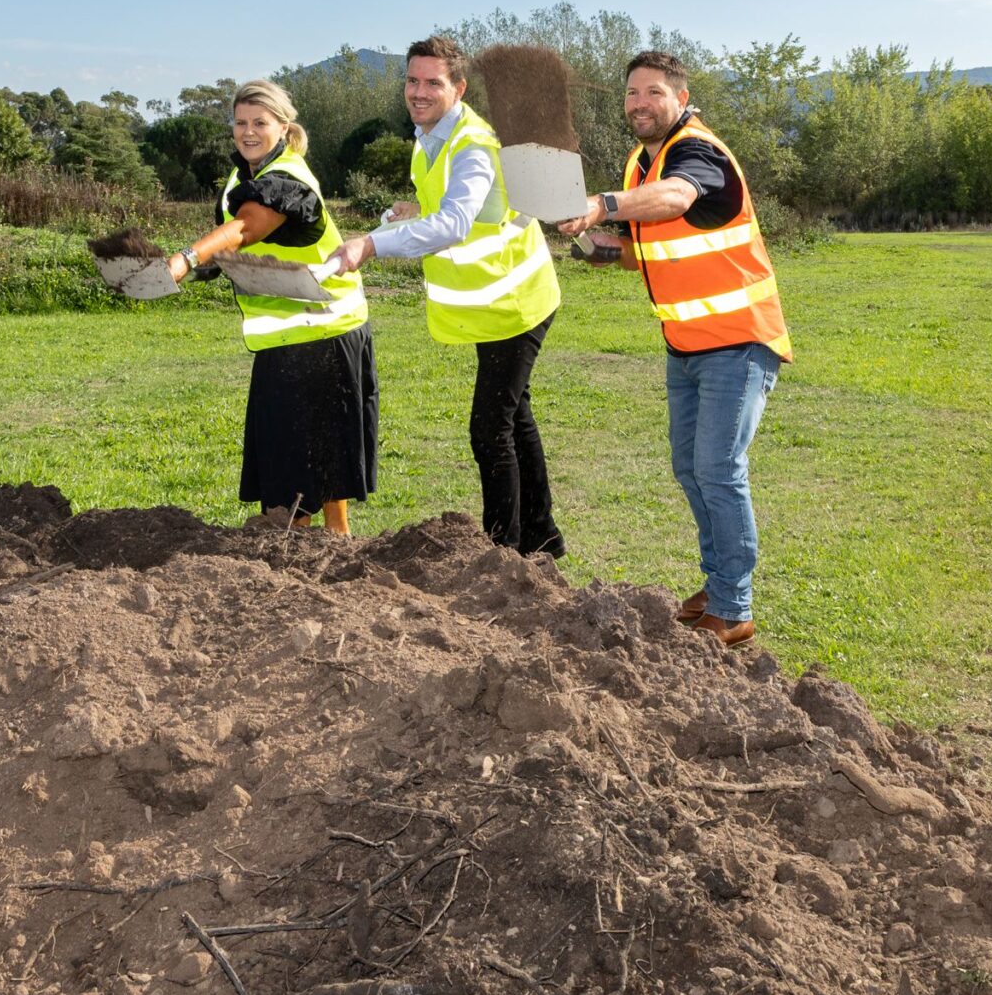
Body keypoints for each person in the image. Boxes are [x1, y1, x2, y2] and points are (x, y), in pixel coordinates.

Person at [556, 50, 790, 646]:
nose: (640, 103)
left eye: (653, 93)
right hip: (685, 344)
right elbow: (645, 249)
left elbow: (679, 199)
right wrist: (582, 239)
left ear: (681, 99)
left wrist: (599, 204)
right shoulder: (642, 162)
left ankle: (734, 609)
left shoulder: (696, 152)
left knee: (717, 468)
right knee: (692, 469)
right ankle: (718, 586)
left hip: (737, 341)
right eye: (632, 93)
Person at [322, 36, 565, 556]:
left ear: (458, 87)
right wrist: (414, 209)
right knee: (515, 416)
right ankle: (541, 542)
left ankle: (503, 554)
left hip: (515, 300)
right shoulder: (431, 134)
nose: (419, 91)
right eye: (412, 80)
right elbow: (462, 206)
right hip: (494, 302)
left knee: (489, 429)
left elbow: (455, 223)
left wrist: (371, 243)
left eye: (433, 82)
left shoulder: (471, 142)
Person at [166, 80, 377, 532]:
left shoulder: (289, 180)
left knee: (300, 472)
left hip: (325, 332)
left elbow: (247, 229)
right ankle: (331, 548)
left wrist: (186, 259)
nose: (247, 132)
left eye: (259, 123)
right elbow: (244, 247)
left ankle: (309, 557)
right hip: (291, 338)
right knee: (310, 459)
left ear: (284, 126)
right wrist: (209, 266)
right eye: (240, 122)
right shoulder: (247, 176)